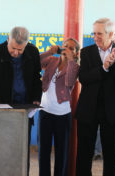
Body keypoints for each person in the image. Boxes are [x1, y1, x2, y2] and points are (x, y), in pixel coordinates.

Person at [0, 26, 42, 175]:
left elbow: (36, 79)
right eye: (13, 48)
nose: (16, 53)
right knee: (2, 151)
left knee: (22, 151)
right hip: (2, 111)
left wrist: (36, 98)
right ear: (8, 39)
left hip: (24, 110)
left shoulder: (32, 53)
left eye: (20, 50)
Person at [75, 18, 115, 176]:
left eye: (99, 33)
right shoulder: (86, 52)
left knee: (111, 155)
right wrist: (104, 67)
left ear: (111, 34)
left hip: (111, 111)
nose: (95, 37)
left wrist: (113, 67)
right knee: (84, 154)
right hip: (88, 109)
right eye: (94, 33)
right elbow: (84, 78)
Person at [37, 38, 80, 176]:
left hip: (63, 115)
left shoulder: (75, 67)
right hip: (45, 112)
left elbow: (69, 82)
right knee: (43, 151)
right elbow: (35, 63)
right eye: (65, 46)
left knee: (61, 152)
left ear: (76, 53)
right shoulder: (52, 61)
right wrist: (50, 51)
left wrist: (71, 61)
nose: (66, 49)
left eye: (71, 48)